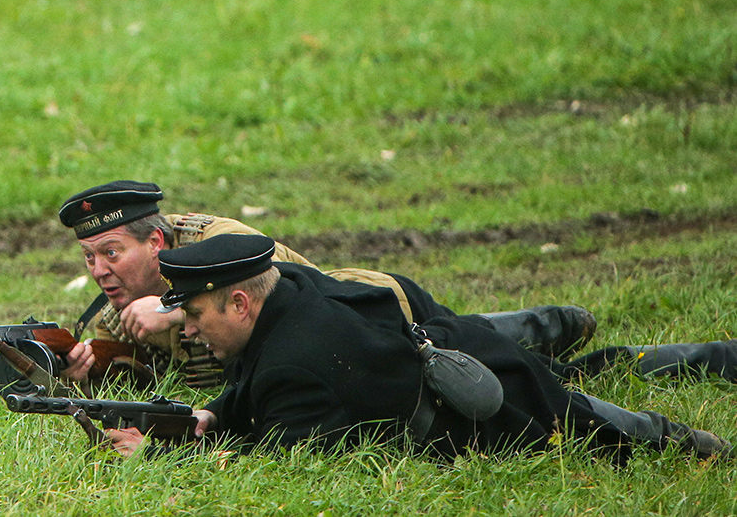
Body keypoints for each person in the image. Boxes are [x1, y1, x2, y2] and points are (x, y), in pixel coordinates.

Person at [100, 233, 731, 460]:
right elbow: (250, 391)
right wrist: (209, 414)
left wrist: (162, 455)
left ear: (240, 302)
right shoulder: (286, 285)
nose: (187, 329)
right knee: (583, 389)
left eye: (197, 313)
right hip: (471, 351)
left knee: (603, 433)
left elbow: (275, 454)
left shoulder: (299, 370)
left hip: (491, 412)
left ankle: (695, 442)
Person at [57, 181, 595, 390]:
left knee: (500, 357)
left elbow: (289, 286)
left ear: (155, 245)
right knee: (534, 373)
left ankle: (549, 325)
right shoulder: (118, 309)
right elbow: (128, 376)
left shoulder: (218, 240)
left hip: (376, 314)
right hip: (343, 353)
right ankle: (569, 339)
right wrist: (83, 370)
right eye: (89, 257)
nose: (99, 269)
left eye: (111, 252)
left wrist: (175, 311)